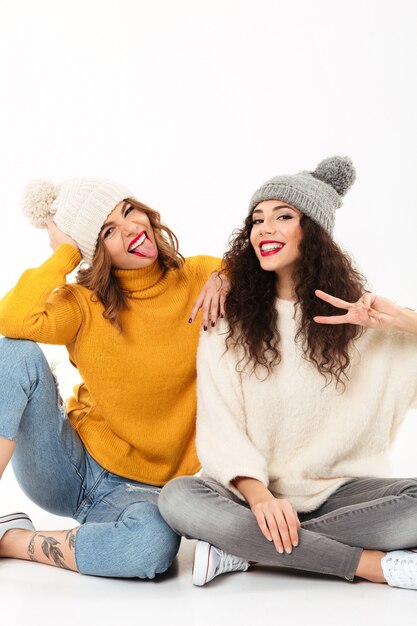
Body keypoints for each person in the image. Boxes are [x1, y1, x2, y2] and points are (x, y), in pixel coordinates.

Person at [158, 156, 417, 591]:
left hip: (341, 493)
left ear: (312, 232)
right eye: (257, 219)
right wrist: (260, 498)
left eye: (283, 216)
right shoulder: (226, 318)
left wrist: (404, 322)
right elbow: (219, 426)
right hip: (248, 497)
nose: (265, 229)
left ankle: (244, 550)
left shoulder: (355, 318)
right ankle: (369, 565)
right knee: (178, 498)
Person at [0, 177, 224, 578]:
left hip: (141, 494)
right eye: (107, 232)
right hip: (68, 466)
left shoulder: (200, 277)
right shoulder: (83, 304)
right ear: (95, 251)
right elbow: (12, 319)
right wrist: (67, 252)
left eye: (127, 211)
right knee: (13, 351)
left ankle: (12, 540)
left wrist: (229, 277)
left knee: (150, 548)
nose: (130, 229)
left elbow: (260, 277)